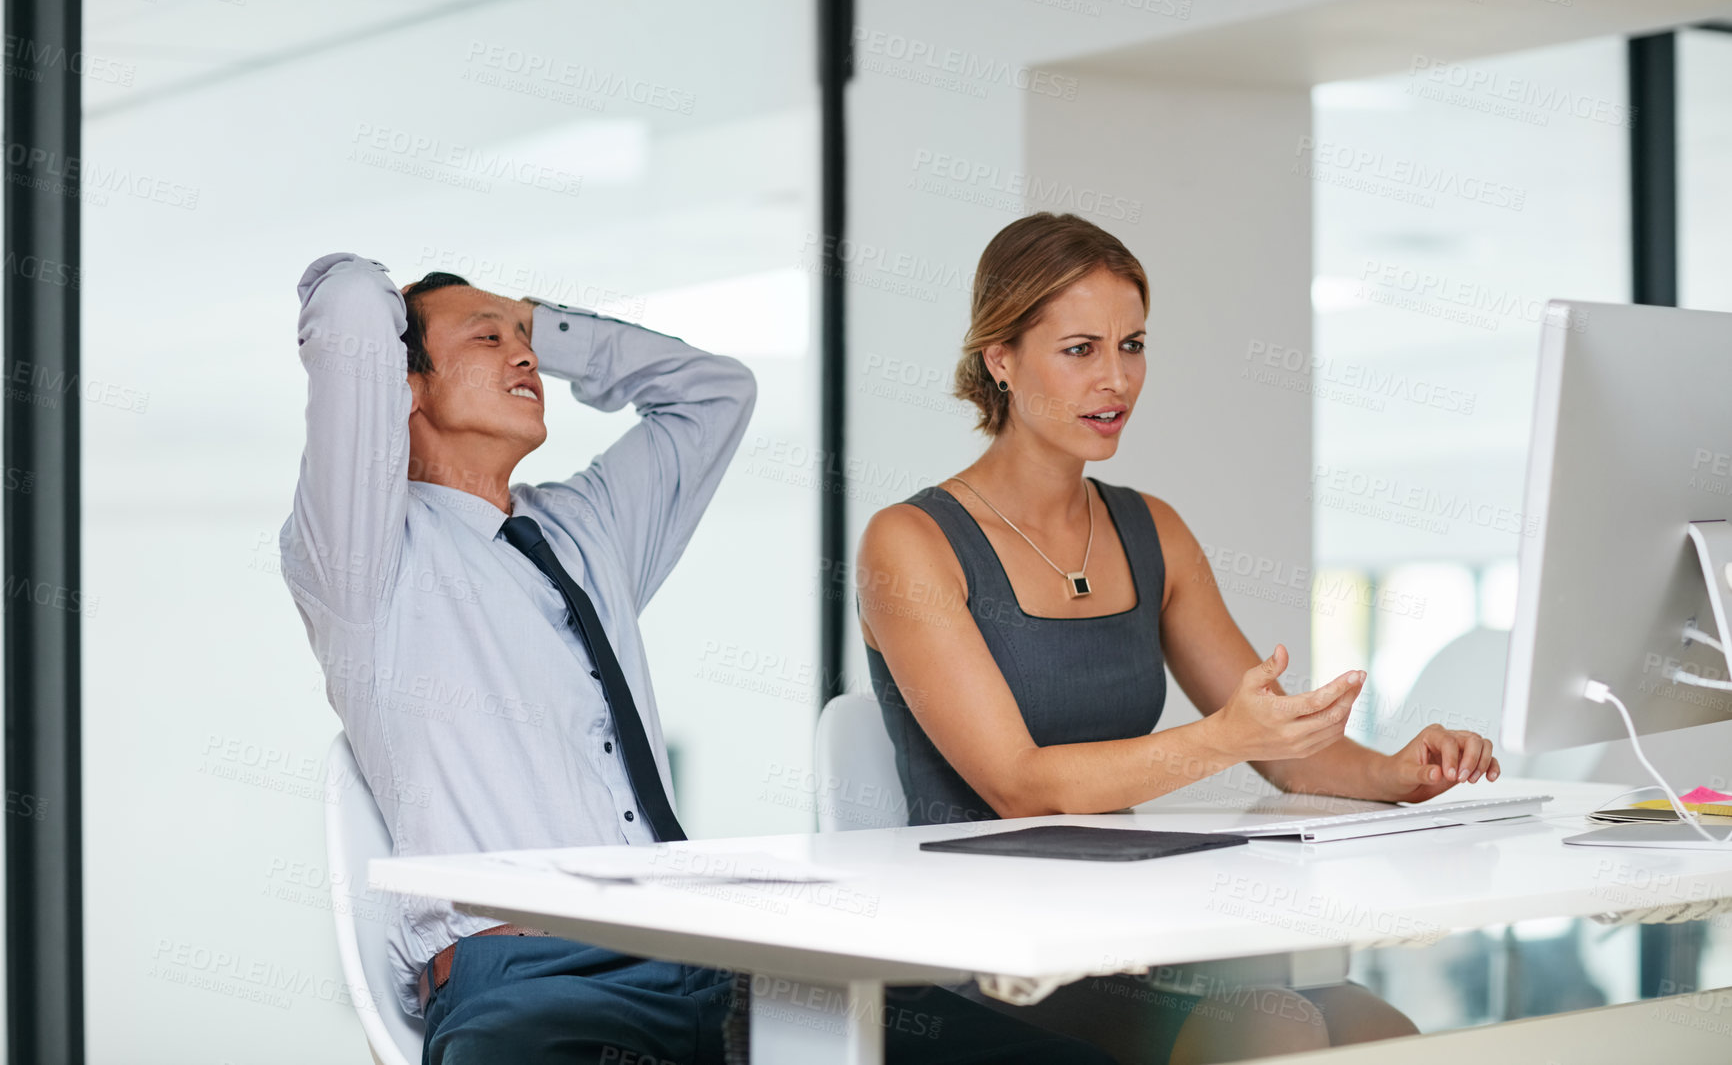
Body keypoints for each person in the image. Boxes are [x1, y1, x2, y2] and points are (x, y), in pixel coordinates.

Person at [280, 252, 1115, 1065]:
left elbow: (715, 394)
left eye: (524, 334)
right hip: (533, 982)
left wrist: (539, 326)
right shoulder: (367, 560)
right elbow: (350, 299)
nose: (526, 352)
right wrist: (407, 311)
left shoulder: (585, 530)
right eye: (486, 339)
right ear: (404, 385)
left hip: (701, 955)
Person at [857, 213, 1500, 1064]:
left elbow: (1282, 752)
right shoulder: (911, 542)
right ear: (1000, 360)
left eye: (1134, 345)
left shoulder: (1150, 530)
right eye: (1081, 349)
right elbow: (1020, 789)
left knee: (1375, 1027)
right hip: (978, 956)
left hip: (1120, 927)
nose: (1117, 378)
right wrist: (1218, 739)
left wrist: (1396, 771)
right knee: (1277, 1026)